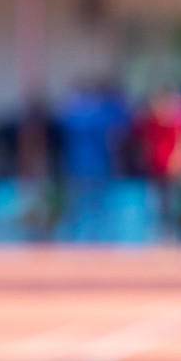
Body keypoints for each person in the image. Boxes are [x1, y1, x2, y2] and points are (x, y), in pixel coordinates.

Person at [55, 83, 129, 243]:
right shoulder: (100, 114)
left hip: (86, 165)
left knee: (86, 205)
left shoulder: (75, 115)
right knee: (92, 205)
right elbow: (118, 134)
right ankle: (95, 238)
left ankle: (83, 238)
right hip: (91, 165)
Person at [133, 87, 181, 242]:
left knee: (179, 206)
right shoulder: (151, 122)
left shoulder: (179, 121)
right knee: (157, 206)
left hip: (175, 172)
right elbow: (145, 143)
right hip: (157, 170)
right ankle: (162, 238)